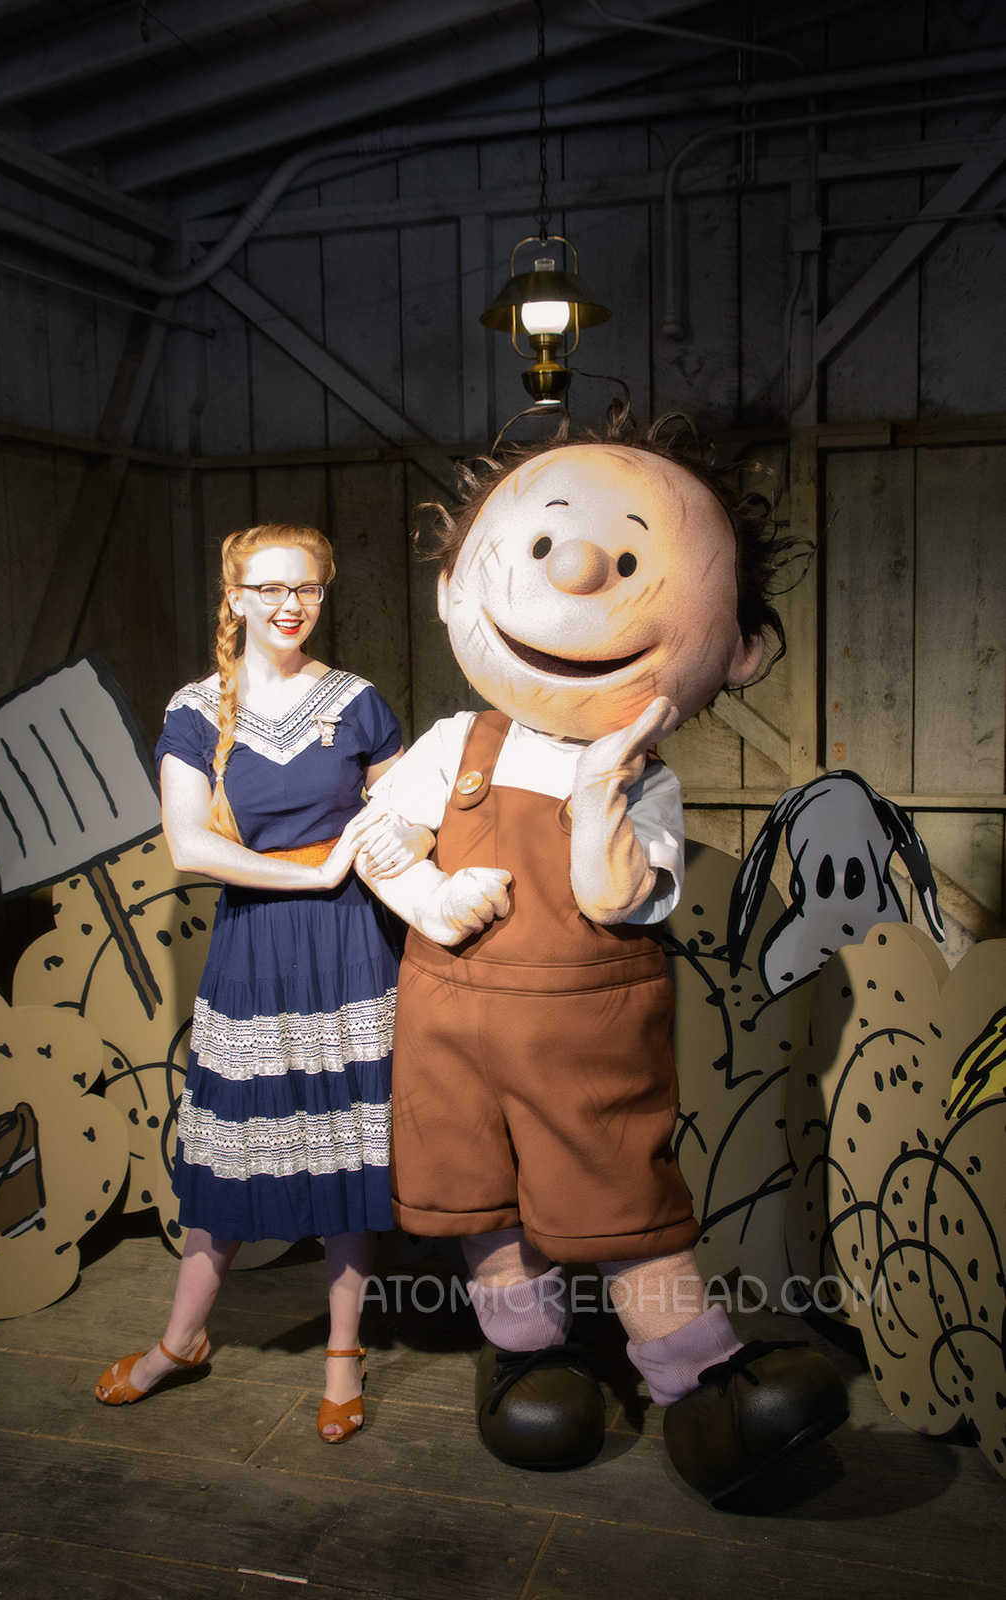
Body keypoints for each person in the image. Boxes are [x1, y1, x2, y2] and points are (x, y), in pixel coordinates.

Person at [359, 419, 848, 1500]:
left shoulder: (645, 786)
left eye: (627, 558)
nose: (577, 567)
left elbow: (611, 895)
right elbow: (375, 838)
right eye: (542, 545)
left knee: (625, 1201)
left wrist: (599, 793)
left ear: (739, 653)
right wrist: (428, 897)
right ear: (450, 588)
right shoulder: (455, 745)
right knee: (480, 1198)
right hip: (449, 1025)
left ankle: (693, 1376)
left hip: (586, 1041)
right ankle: (523, 1351)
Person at [95, 522, 428, 1442]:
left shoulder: (357, 702)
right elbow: (188, 846)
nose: (291, 605)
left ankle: (343, 1354)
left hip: (352, 946)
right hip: (256, 946)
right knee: (229, 1154)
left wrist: (390, 844)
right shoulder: (197, 709)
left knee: (348, 1153)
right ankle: (180, 1342)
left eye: (308, 588)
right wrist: (314, 873)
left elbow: (408, 817)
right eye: (271, 589)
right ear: (235, 598)